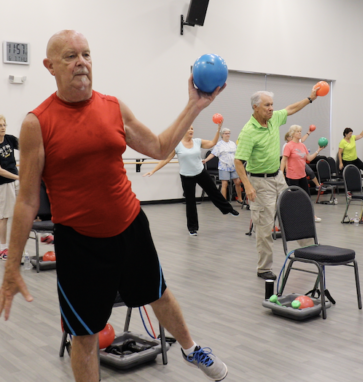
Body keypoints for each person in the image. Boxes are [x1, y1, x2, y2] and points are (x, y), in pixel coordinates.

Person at [0, 30, 228, 382]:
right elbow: (28, 199)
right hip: (79, 244)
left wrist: (195, 105)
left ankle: (190, 348)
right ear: (49, 66)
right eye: (70, 56)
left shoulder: (113, 107)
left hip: (130, 226)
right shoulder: (37, 123)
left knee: (160, 295)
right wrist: (12, 266)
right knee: (85, 335)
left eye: (86, 54)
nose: (81, 63)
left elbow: (157, 147)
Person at [234, 88, 320, 280]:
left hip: (278, 178)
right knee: (265, 228)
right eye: (267, 105)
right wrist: (247, 186)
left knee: (294, 213)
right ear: (255, 108)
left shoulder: (273, 119)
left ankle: (312, 252)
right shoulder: (249, 131)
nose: (271, 109)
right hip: (259, 181)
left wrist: (310, 98)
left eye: (272, 105)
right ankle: (264, 268)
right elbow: (238, 161)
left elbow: (290, 109)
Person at [144, 124, 239, 236]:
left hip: (200, 172)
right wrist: (153, 170)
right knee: (190, 202)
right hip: (186, 176)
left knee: (214, 192)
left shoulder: (198, 141)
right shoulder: (177, 145)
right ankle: (192, 228)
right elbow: (165, 160)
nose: (191, 130)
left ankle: (228, 209)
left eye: (193, 128)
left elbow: (212, 143)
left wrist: (218, 130)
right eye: (189, 128)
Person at [280, 124, 325, 222]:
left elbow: (308, 158)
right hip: (292, 176)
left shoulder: (302, 145)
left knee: (307, 197)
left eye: (300, 131)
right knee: (295, 199)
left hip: (302, 175)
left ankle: (311, 215)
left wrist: (318, 150)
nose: (300, 133)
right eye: (298, 131)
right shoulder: (289, 146)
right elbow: (283, 160)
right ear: (292, 133)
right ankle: (294, 217)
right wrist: (281, 173)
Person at [203, 127, 243, 203]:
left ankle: (240, 198)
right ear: (222, 134)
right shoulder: (219, 144)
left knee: (237, 182)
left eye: (229, 133)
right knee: (224, 184)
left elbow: (238, 153)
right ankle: (224, 201)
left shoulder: (232, 143)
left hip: (233, 166)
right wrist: (206, 160)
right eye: (226, 133)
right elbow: (213, 154)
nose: (228, 135)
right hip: (223, 167)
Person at [0, 115, 19, 260]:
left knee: (27, 210)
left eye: (4, 125)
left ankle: (44, 235)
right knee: (4, 217)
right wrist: (18, 177)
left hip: (15, 180)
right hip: (4, 183)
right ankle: (2, 248)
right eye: (0, 125)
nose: (2, 127)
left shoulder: (10, 139)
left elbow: (27, 147)